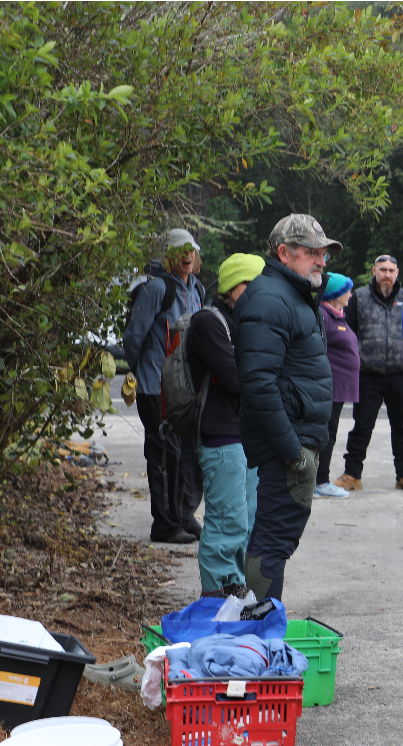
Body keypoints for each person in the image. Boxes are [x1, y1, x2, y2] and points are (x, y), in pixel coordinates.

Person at [234, 214, 339, 601]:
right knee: (272, 542)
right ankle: (260, 637)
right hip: (287, 448)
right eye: (312, 252)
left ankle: (261, 631)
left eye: (323, 253)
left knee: (277, 541)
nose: (321, 261)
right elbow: (258, 386)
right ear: (284, 252)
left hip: (298, 441)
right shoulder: (269, 299)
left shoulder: (294, 296)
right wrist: (293, 453)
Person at [186, 253, 265, 596]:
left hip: (250, 436)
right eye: (253, 285)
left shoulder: (250, 323)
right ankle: (216, 594)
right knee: (226, 521)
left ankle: (236, 589)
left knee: (247, 521)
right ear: (234, 286)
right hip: (221, 437)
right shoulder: (209, 322)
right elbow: (235, 379)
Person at [124, 228, 206, 544]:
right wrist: (144, 372)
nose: (187, 255)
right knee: (164, 456)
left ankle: (183, 516)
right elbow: (134, 338)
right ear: (168, 255)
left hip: (186, 390)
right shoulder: (156, 289)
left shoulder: (196, 289)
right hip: (155, 388)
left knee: (191, 454)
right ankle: (165, 525)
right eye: (179, 249)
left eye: (191, 249)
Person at [334, 255, 403, 493]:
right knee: (362, 425)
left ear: (397, 273)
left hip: (402, 374)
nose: (387, 274)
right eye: (382, 269)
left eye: (391, 270)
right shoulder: (359, 298)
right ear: (373, 270)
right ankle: (352, 474)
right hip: (367, 374)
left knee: (402, 427)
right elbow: (348, 333)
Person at [316, 273, 360, 499]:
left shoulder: (337, 315)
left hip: (339, 389)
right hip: (328, 389)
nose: (351, 295)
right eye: (347, 290)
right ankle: (319, 481)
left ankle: (318, 480)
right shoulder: (323, 316)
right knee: (325, 434)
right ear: (335, 294)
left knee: (329, 433)